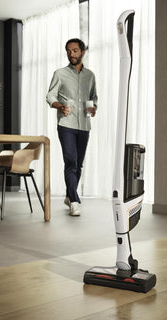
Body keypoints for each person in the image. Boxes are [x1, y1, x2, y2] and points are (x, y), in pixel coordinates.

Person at [46, 38, 97, 216]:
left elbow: (93, 97)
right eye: (68, 51)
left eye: (75, 50)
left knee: (79, 164)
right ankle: (74, 201)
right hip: (66, 124)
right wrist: (60, 106)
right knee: (71, 162)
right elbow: (50, 96)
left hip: (84, 124)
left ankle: (69, 194)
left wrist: (93, 108)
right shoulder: (59, 73)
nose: (71, 54)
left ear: (82, 52)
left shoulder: (90, 76)